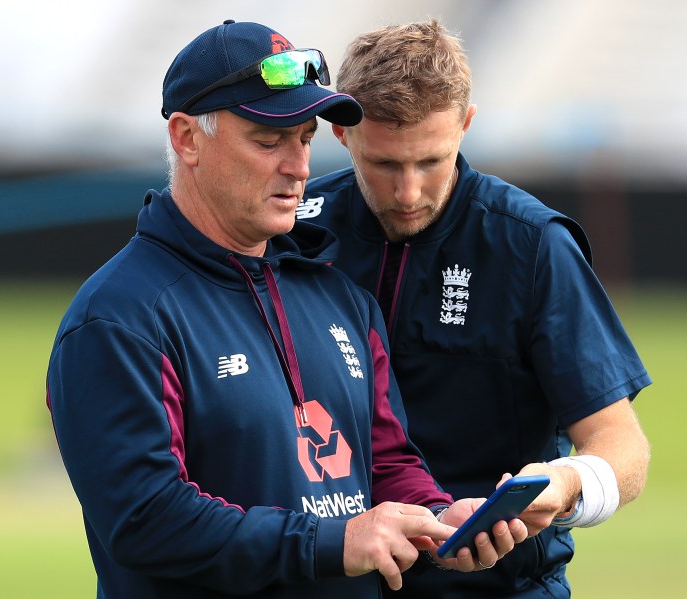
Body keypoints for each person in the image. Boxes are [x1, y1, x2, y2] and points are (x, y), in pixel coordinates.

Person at [46, 19, 529, 599]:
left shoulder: (340, 297)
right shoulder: (121, 316)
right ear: (187, 139)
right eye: (268, 140)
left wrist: (436, 519)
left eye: (304, 138)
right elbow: (147, 519)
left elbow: (385, 462)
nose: (299, 166)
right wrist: (333, 543)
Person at [299, 19, 653, 598]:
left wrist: (563, 484)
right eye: (385, 165)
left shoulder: (533, 245)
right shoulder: (291, 230)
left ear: (466, 124)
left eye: (431, 161)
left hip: (498, 588)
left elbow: (622, 444)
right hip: (328, 581)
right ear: (342, 134)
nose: (409, 192)